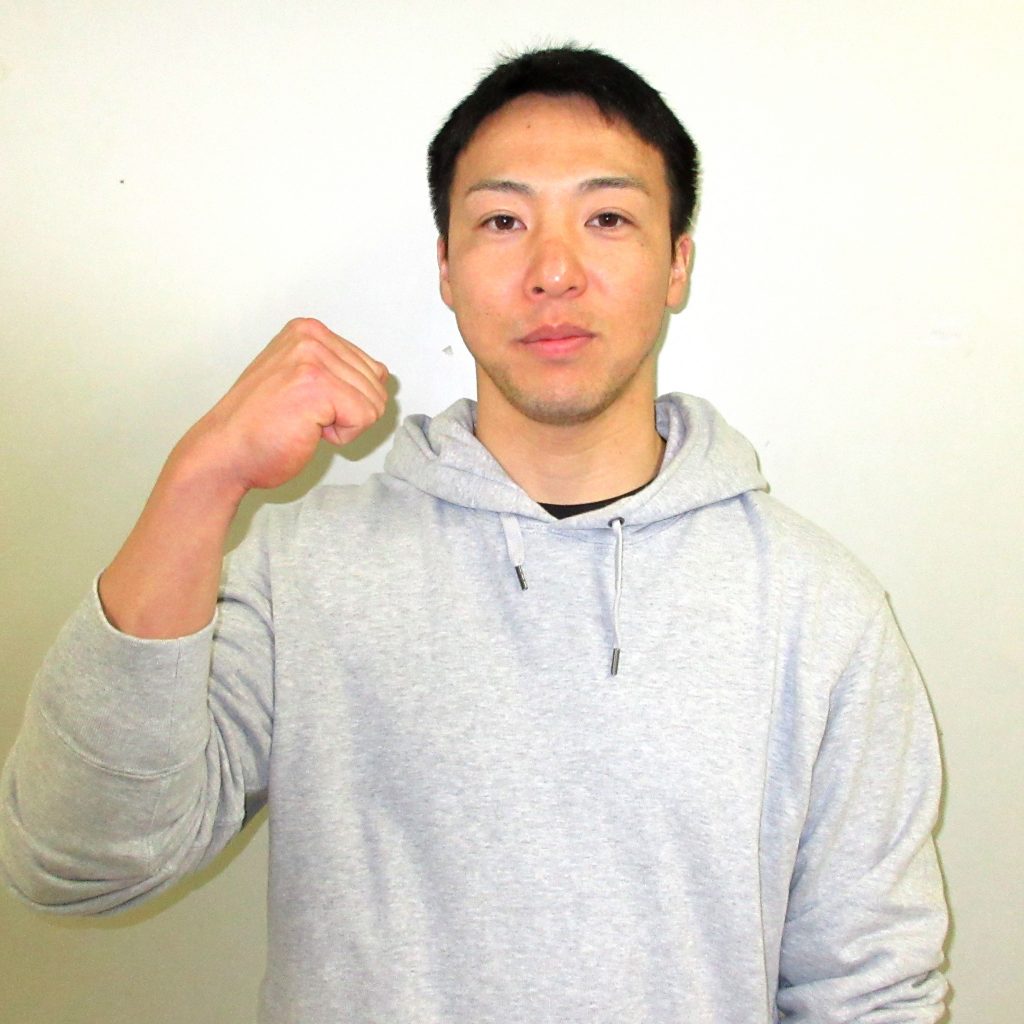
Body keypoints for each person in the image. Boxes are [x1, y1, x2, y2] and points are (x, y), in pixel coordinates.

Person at [0, 46, 947, 1023]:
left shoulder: (815, 607)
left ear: (676, 264)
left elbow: (869, 991)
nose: (553, 272)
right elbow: (77, 860)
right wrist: (203, 481)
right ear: (446, 269)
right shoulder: (305, 571)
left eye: (607, 218)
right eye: (502, 221)